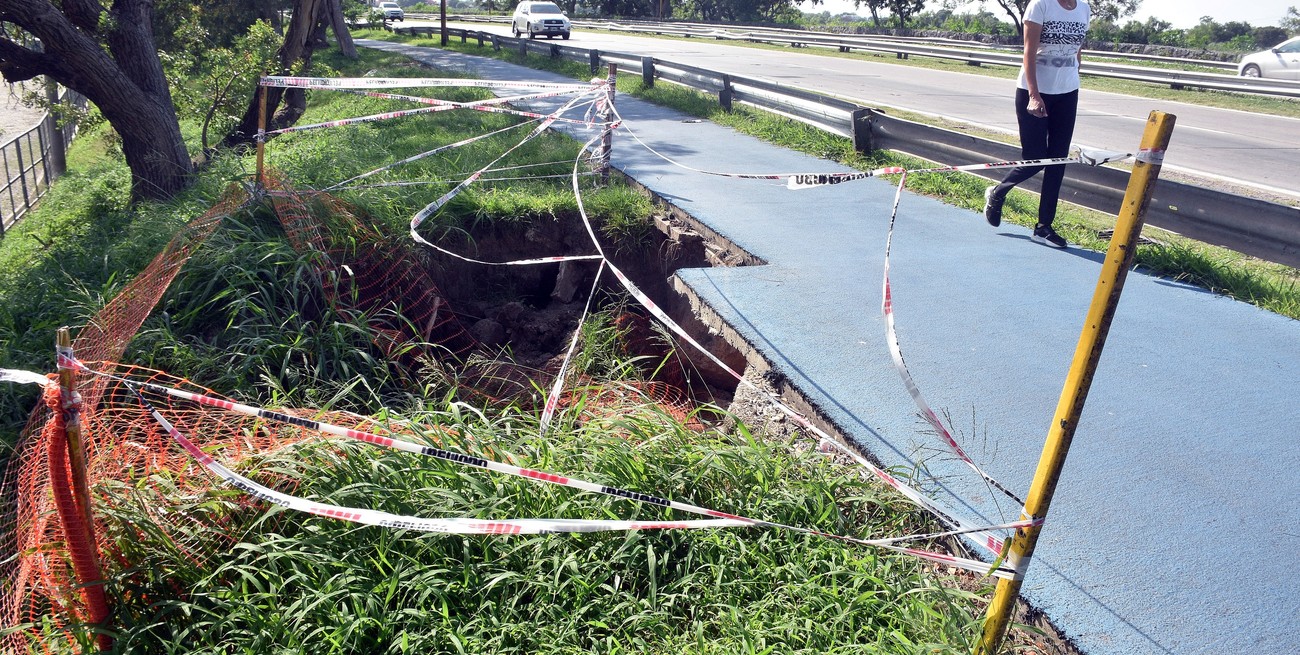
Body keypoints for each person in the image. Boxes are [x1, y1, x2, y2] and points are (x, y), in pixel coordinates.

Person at [983, 0, 1091, 249]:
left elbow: (1077, 52)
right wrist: (1034, 95)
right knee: (1035, 158)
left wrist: (1072, 79)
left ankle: (1043, 228)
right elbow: (1029, 52)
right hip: (1033, 92)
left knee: (1058, 161)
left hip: (1067, 93)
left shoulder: (1084, 8)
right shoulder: (1040, 5)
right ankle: (998, 192)